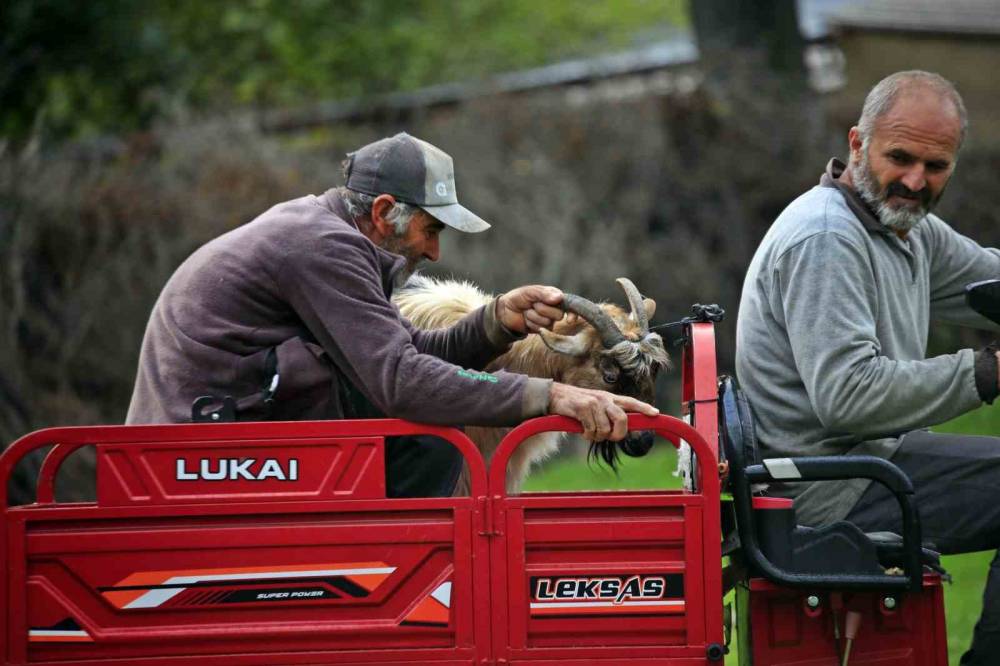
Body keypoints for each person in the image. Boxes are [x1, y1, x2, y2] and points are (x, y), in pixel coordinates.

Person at [126, 132, 657, 497]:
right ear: (383, 213)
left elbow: (411, 355)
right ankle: (417, 607)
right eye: (431, 230)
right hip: (198, 457)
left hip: (220, 446)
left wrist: (499, 320)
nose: (434, 253)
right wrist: (552, 395)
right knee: (426, 450)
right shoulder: (322, 248)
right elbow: (402, 381)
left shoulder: (330, 239)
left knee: (425, 447)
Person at [736, 71, 1000, 664]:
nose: (915, 180)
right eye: (900, 157)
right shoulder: (828, 239)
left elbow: (990, 282)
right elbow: (848, 396)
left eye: (936, 167)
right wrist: (988, 372)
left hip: (867, 463)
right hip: (828, 488)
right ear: (857, 144)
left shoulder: (901, 226)